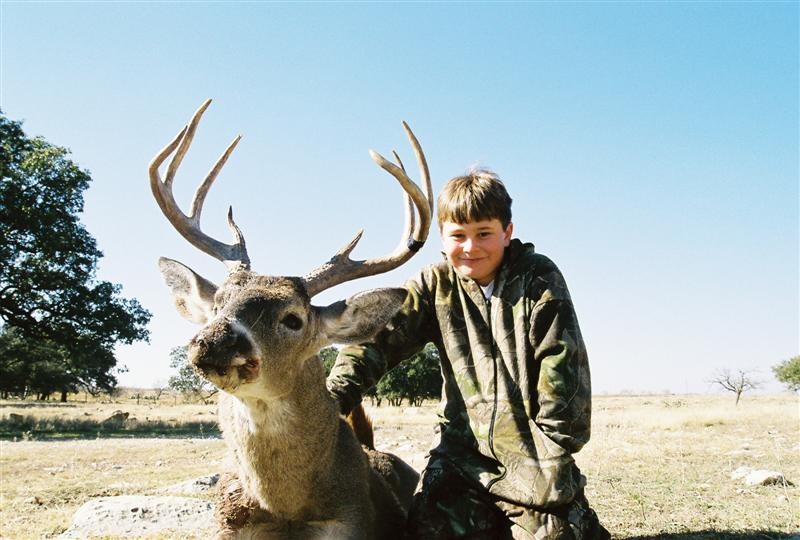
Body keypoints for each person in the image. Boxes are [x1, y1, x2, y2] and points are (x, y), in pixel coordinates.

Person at [327, 168, 609, 540]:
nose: (471, 247)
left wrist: (551, 447)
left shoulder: (539, 278)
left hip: (533, 461)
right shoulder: (434, 284)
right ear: (442, 238)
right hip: (461, 463)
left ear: (507, 232)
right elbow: (376, 343)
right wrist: (329, 402)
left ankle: (573, 519)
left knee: (556, 536)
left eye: (484, 233)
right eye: (458, 236)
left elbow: (562, 362)